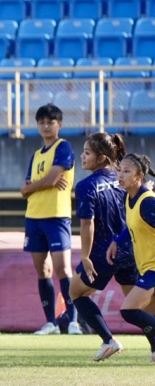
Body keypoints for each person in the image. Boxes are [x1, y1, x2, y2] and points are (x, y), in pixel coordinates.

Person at [69, 134, 143, 361]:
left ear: (101, 158)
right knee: (138, 304)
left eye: (87, 152)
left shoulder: (86, 185)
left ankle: (109, 340)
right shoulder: (123, 178)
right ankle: (153, 348)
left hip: (103, 252)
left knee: (76, 292)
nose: (82, 156)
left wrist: (85, 256)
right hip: (130, 249)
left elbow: (87, 224)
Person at [20, 104, 79, 335]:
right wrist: (41, 184)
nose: (46, 126)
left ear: (59, 125)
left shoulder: (63, 147)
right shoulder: (35, 155)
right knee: (42, 270)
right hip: (33, 217)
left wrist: (35, 186)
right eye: (42, 122)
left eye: (50, 122)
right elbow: (24, 189)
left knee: (63, 269)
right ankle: (51, 322)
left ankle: (73, 320)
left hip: (56, 216)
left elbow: (51, 178)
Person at [106, 153, 155, 363]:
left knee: (129, 309)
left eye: (127, 171)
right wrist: (117, 240)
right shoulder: (129, 197)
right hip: (145, 267)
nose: (120, 175)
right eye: (119, 170)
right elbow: (135, 226)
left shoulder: (148, 202)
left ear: (139, 176)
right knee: (150, 316)